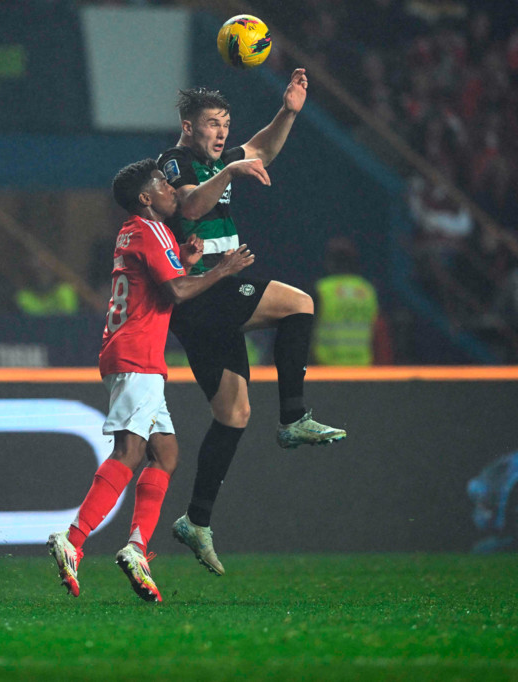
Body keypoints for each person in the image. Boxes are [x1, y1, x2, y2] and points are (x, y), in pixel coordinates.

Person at [155, 70, 346, 577]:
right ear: (187, 124)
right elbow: (192, 203)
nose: (220, 133)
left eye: (226, 125)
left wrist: (288, 111)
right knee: (299, 303)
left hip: (208, 307)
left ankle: (196, 521)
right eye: (212, 124)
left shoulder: (219, 161)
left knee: (234, 414)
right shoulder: (173, 162)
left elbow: (258, 150)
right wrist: (232, 171)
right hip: (204, 293)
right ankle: (293, 418)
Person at [47, 159, 254, 602]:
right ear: (146, 198)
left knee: (165, 454)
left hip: (135, 353)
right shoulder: (151, 229)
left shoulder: (135, 231)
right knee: (131, 450)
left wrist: (187, 260)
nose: (171, 190)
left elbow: (158, 280)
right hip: (136, 353)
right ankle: (73, 539)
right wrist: (219, 270)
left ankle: (137, 548)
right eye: (163, 184)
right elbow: (175, 292)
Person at [311, 237, 384, 366]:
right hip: (362, 370)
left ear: (329, 262)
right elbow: (378, 333)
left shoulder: (321, 290)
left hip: (327, 371)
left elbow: (305, 333)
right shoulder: (367, 291)